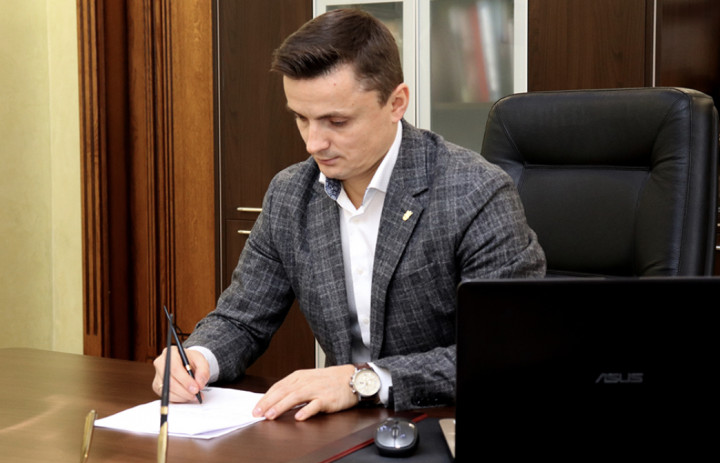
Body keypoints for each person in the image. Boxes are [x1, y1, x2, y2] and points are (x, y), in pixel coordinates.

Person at [152, 8, 545, 421]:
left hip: (453, 424)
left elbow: (508, 349)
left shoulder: (475, 192)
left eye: (336, 121)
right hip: (344, 429)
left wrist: (364, 380)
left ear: (396, 103)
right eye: (301, 118)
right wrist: (197, 357)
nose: (313, 143)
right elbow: (242, 318)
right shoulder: (290, 194)